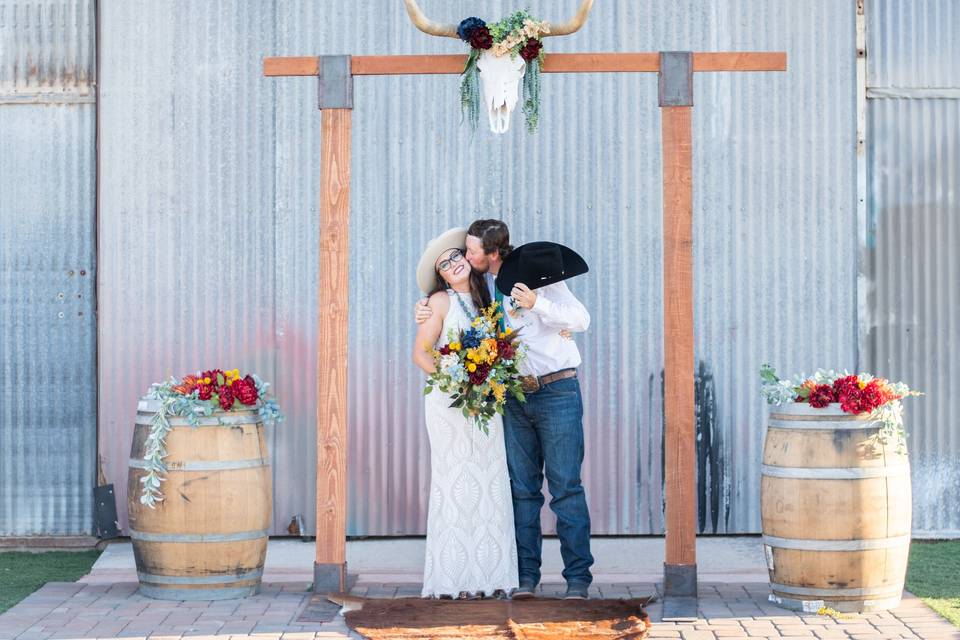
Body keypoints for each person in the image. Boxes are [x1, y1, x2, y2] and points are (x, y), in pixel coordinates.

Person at [415, 220, 594, 600]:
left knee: (566, 489)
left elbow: (581, 320)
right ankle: (526, 578)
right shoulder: (484, 291)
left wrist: (538, 304)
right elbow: (453, 320)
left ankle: (578, 580)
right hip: (513, 399)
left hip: (557, 389)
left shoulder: (536, 276)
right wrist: (425, 307)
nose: (465, 257)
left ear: (491, 253)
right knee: (523, 491)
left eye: (469, 251)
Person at [411, 227, 518, 599]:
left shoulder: (484, 298)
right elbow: (421, 353)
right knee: (455, 480)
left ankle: (488, 576)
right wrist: (455, 378)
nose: (454, 264)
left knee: (488, 477)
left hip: (484, 404)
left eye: (456, 257)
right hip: (449, 404)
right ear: (440, 274)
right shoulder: (437, 302)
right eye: (445, 264)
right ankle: (453, 577)